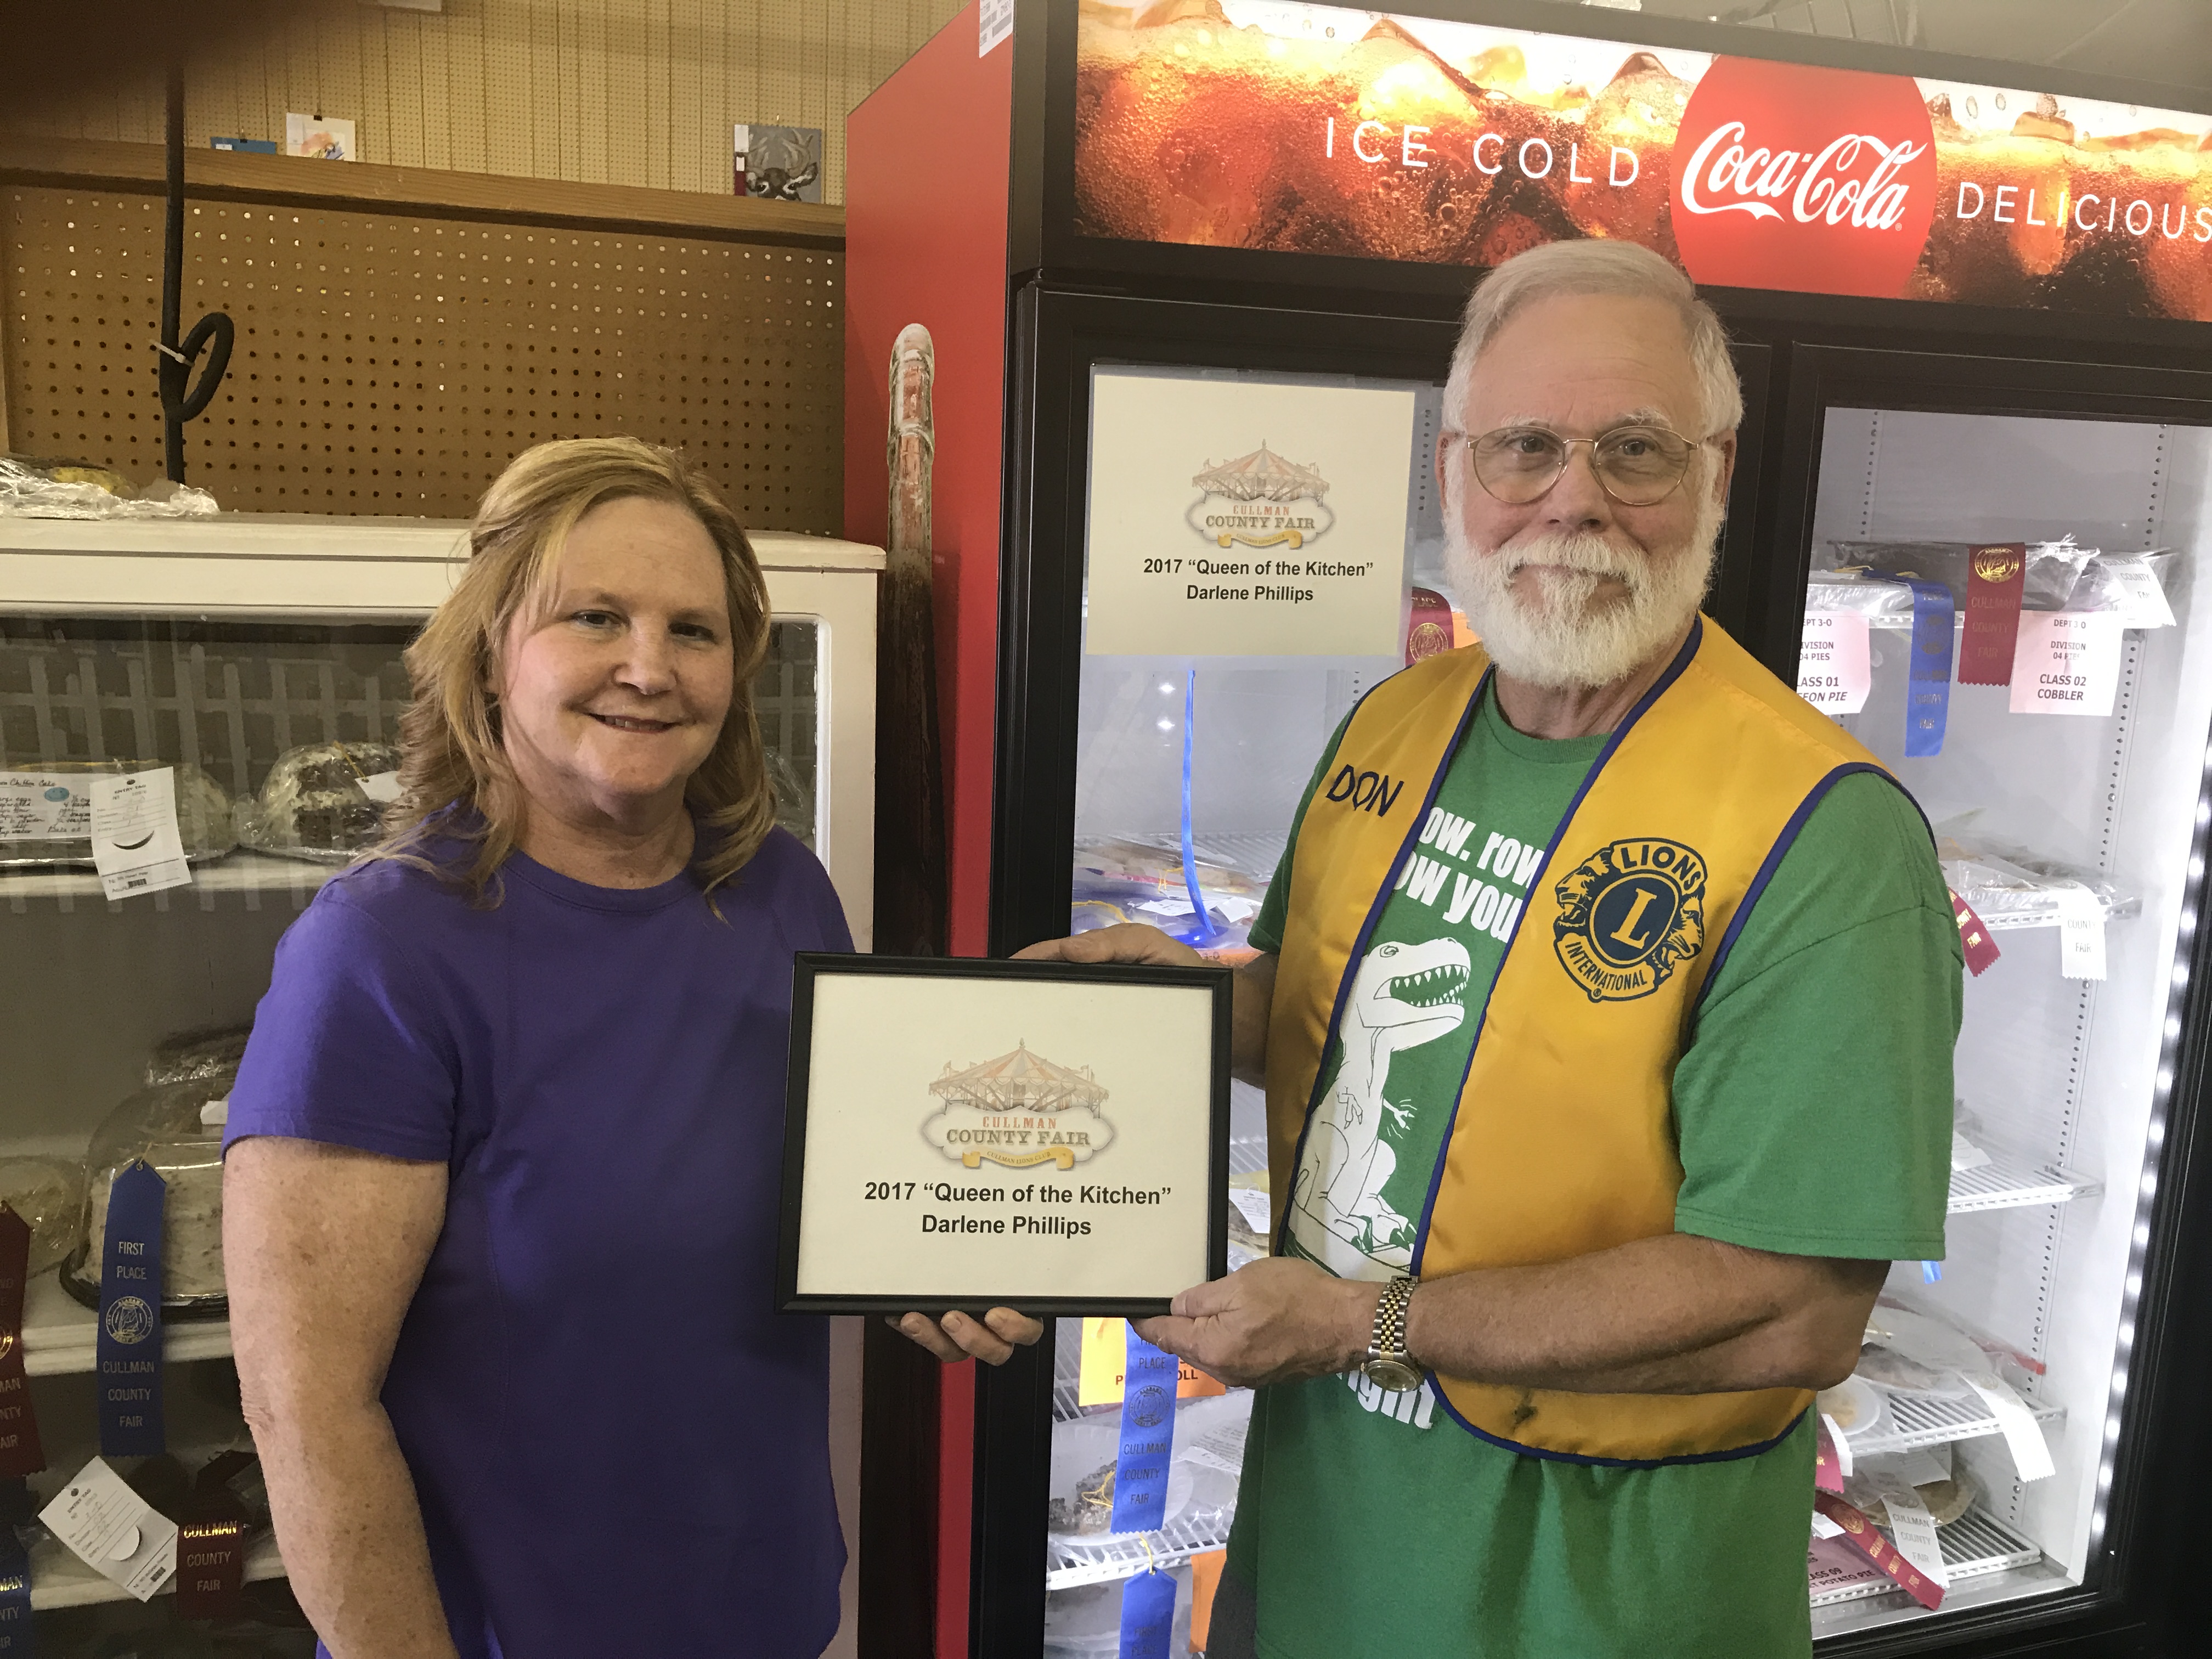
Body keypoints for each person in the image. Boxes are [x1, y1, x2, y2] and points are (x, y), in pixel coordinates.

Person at [1021, 241, 1959, 1658]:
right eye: (1525, 446)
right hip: (1326, 1519)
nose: (1572, 499)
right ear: (1453, 470)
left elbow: (1793, 1313)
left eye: (1634, 449)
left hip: (1594, 1594)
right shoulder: (1400, 723)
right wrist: (1181, 1013)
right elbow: (1327, 1012)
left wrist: (1366, 1325)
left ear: (1716, 476)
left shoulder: (1823, 834)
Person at [222, 437, 1030, 1659]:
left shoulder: (782, 891)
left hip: (768, 1610)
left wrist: (943, 1243)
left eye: (694, 631)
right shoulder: (381, 952)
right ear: (492, 650)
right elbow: (307, 1414)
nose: (649, 669)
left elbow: (836, 1187)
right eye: (594, 617)